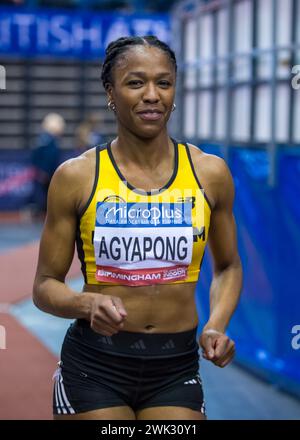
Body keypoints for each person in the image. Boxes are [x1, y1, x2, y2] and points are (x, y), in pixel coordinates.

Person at [33, 36, 242, 420]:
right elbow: (45, 285)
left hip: (176, 367)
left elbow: (228, 267)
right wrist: (87, 303)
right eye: (135, 82)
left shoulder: (210, 173)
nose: (152, 95)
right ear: (111, 92)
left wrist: (215, 325)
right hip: (94, 366)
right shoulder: (76, 177)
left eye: (163, 82)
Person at [30, 113, 65, 218]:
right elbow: (47, 156)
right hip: (47, 172)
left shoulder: (45, 139)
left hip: (48, 171)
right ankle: (42, 211)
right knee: (46, 193)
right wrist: (43, 170)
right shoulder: (49, 140)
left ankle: (43, 211)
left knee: (47, 193)